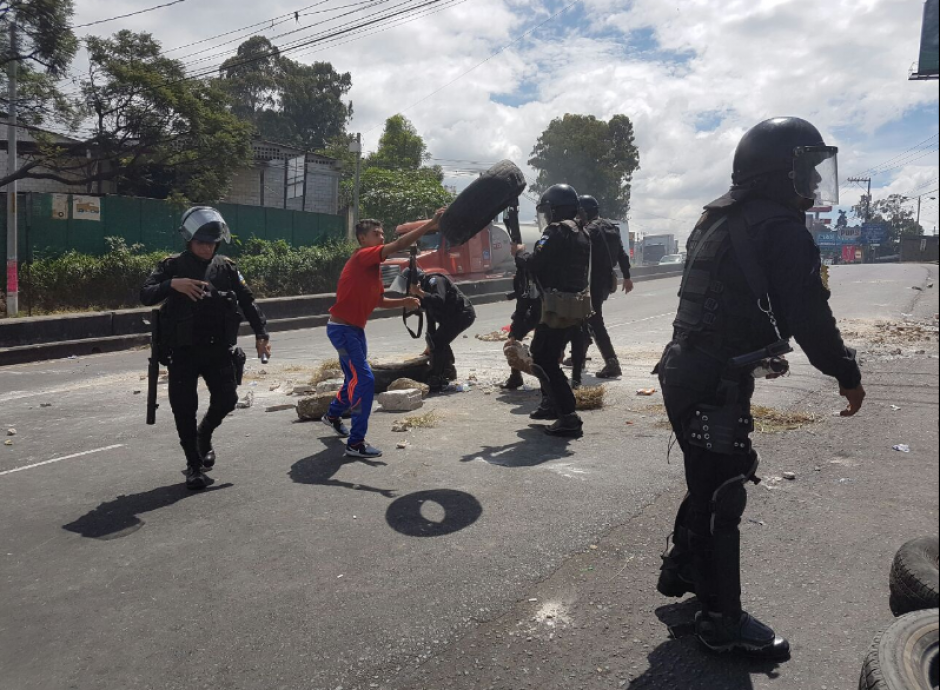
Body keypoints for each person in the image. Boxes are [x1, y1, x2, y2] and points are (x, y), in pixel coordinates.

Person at [655, 117, 866, 660]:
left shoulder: (719, 215)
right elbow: (811, 319)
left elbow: (729, 302)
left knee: (711, 479)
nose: (814, 183)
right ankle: (720, 622)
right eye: (806, 170)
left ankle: (684, 569)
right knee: (723, 493)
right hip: (714, 381)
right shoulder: (781, 229)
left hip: (685, 370)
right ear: (779, 171)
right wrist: (846, 373)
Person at [141, 207, 271, 491]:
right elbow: (146, 293)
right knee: (184, 409)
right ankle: (194, 464)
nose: (207, 248)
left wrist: (261, 332)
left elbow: (247, 301)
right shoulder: (172, 266)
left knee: (227, 400)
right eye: (201, 242)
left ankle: (205, 435)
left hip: (218, 349)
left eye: (212, 243)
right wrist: (172, 284)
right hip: (183, 351)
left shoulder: (226, 268)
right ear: (189, 240)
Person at [321, 212, 445, 458]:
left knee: (354, 379)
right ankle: (356, 442)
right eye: (376, 234)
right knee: (365, 380)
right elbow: (399, 244)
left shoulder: (372, 268)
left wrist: (404, 302)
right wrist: (431, 224)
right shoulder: (362, 256)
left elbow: (378, 301)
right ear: (362, 239)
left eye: (382, 234)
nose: (381, 238)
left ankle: (332, 415)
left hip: (354, 330)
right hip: (342, 330)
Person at [512, 184, 592, 437]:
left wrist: (520, 255)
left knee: (543, 358)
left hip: (557, 308)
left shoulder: (557, 231)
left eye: (547, 210)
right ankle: (553, 405)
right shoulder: (580, 231)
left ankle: (568, 416)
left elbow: (536, 263)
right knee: (549, 355)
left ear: (555, 209)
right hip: (574, 305)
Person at [568, 195, 635, 387]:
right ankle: (579, 357)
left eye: (579, 213)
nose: (578, 217)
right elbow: (622, 254)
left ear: (585, 212)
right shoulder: (611, 227)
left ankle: (612, 363)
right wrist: (627, 276)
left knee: (594, 320)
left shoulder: (590, 230)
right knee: (585, 318)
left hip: (592, 281)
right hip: (605, 280)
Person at [402, 268, 477, 392]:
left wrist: (419, 292)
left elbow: (439, 300)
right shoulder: (424, 293)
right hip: (451, 318)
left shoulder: (435, 281)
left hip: (462, 314)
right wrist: (429, 345)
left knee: (438, 342)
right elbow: (430, 322)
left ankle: (438, 377)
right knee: (435, 340)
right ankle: (448, 370)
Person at [502, 205, 542, 390]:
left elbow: (525, 301)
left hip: (544, 310)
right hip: (536, 309)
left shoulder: (530, 267)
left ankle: (548, 381)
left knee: (541, 349)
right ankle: (515, 376)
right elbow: (523, 299)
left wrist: (516, 330)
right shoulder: (523, 270)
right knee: (513, 341)